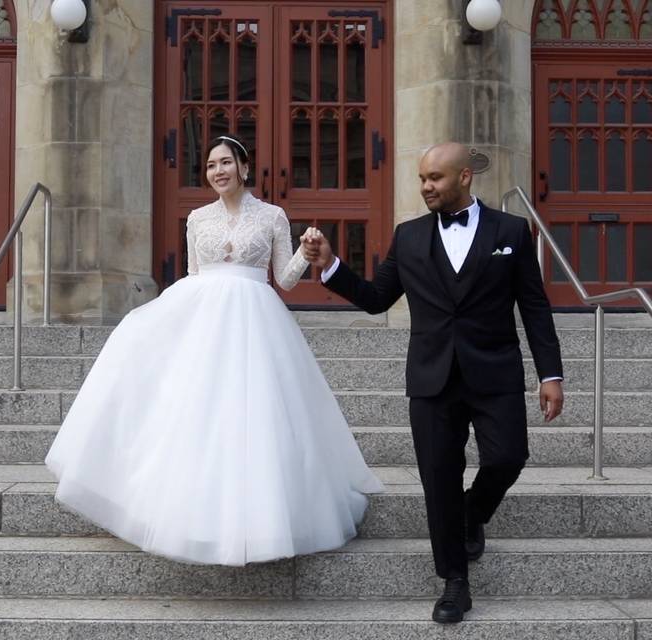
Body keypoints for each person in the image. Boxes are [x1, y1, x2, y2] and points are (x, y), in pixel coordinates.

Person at [46, 134, 383, 566]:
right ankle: (187, 516)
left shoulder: (273, 216)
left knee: (257, 416)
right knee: (191, 408)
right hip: (204, 319)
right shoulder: (196, 218)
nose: (217, 171)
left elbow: (285, 279)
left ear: (244, 167)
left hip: (257, 317)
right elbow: (193, 274)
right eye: (209, 166)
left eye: (225, 163)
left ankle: (263, 520)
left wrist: (303, 252)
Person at [302, 142, 564, 623]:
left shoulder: (512, 231)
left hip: (495, 371)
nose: (425, 186)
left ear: (464, 177)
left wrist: (551, 373)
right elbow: (377, 298)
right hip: (431, 378)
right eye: (422, 178)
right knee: (438, 481)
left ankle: (473, 513)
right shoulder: (408, 237)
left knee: (508, 456)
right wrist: (331, 266)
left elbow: (534, 305)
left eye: (435, 178)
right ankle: (454, 583)